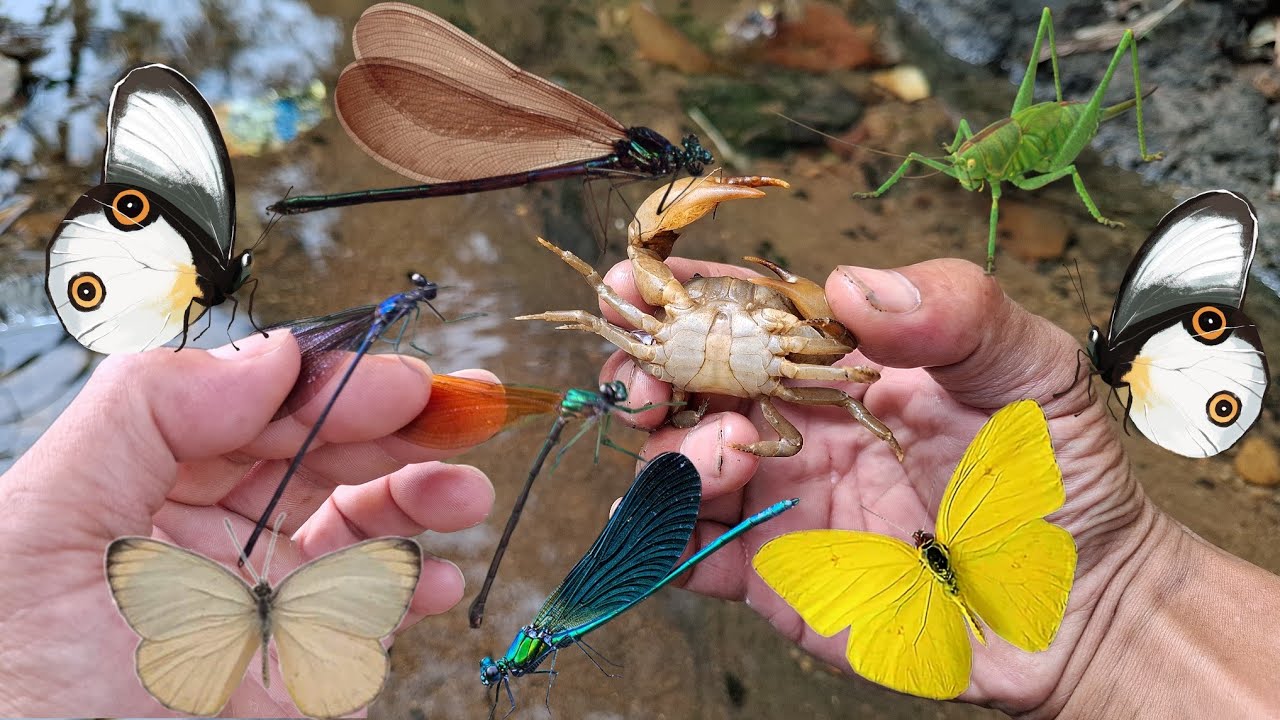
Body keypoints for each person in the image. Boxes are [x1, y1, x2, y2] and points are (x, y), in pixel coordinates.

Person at [1, 258, 1276, 717]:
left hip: (751, 451)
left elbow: (659, 323)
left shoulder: (821, 395)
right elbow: (604, 290)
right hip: (698, 432)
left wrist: (1111, 609)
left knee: (607, 479)